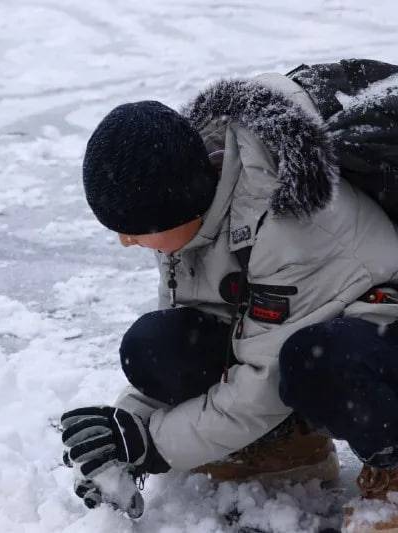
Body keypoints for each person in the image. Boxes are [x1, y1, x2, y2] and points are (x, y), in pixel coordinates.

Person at [61, 60, 398, 532]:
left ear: (176, 206)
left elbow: (264, 380)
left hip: (379, 323)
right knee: (157, 347)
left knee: (317, 363)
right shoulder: (193, 205)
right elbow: (196, 319)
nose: (126, 242)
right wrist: (126, 426)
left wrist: (151, 444)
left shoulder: (290, 220)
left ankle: (394, 469)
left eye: (133, 230)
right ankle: (280, 450)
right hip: (316, 319)